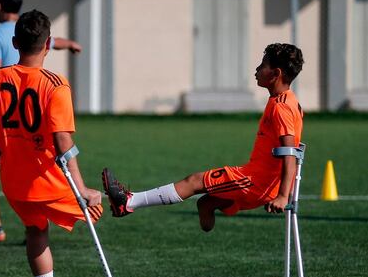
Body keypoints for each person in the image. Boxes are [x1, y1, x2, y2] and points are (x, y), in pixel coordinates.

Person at [0, 9, 102, 277]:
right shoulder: (56, 84)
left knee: (36, 230)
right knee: (103, 205)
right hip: (49, 182)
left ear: (15, 43)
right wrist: (83, 189)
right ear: (47, 45)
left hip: (14, 185)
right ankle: (141, 198)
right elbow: (62, 140)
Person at [102, 43, 305, 232]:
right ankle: (209, 216)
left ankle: (128, 202)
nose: (256, 70)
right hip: (259, 180)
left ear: (276, 74)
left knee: (194, 181)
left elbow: (289, 153)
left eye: (263, 65)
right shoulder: (287, 100)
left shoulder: (281, 107)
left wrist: (282, 195)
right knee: (205, 202)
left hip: (255, 182)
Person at [0, 0, 83, 245]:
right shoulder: (38, 39)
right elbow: (51, 41)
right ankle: (36, 219)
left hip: (6, 106)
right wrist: (72, 44)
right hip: (33, 107)